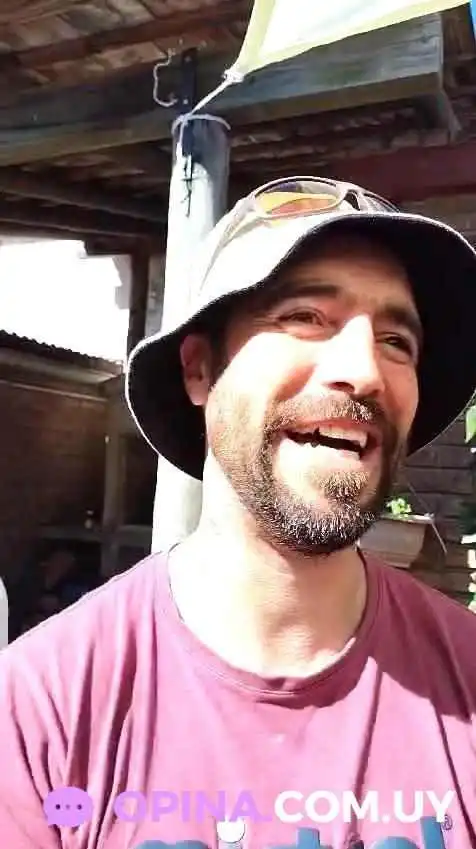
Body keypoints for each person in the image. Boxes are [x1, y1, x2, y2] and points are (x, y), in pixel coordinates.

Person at [0, 177, 476, 849]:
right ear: (200, 369)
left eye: (397, 340)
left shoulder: (466, 681)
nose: (365, 370)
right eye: (305, 316)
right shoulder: (40, 712)